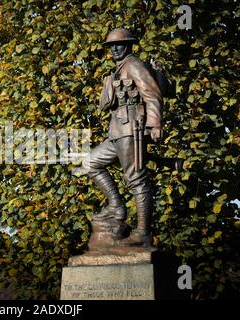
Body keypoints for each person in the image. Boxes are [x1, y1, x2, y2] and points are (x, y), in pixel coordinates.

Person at [82, 28, 163, 247]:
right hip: (117, 130)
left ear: (129, 46)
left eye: (119, 45)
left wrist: (154, 123)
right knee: (90, 162)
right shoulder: (118, 69)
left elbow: (151, 93)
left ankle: (143, 232)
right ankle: (116, 205)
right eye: (111, 46)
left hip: (131, 129)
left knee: (136, 179)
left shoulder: (134, 64)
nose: (115, 49)